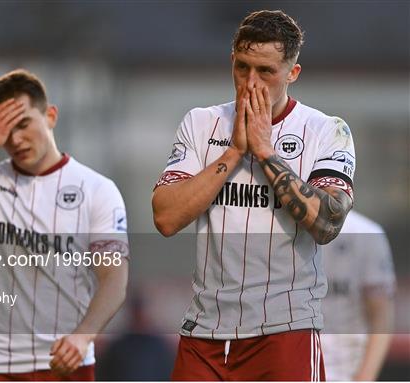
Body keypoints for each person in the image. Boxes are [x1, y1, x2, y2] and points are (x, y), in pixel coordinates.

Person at [152, 10, 355, 381]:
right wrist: (233, 153)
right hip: (205, 331)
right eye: (242, 67)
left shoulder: (327, 130)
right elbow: (165, 217)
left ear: (292, 73)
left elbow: (327, 223)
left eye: (266, 71)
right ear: (231, 60)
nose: (250, 82)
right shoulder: (201, 122)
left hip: (285, 328)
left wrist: (265, 153)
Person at [0, 69, 129, 381]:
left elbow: (114, 278)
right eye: (4, 132)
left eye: (23, 124)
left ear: (50, 116)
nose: (16, 139)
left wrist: (83, 336)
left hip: (64, 360)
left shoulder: (98, 189)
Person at [321, 210, 395, 381]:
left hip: (346, 371)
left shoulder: (368, 234)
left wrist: (364, 378)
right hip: (294, 368)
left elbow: (381, 319)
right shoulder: (280, 232)